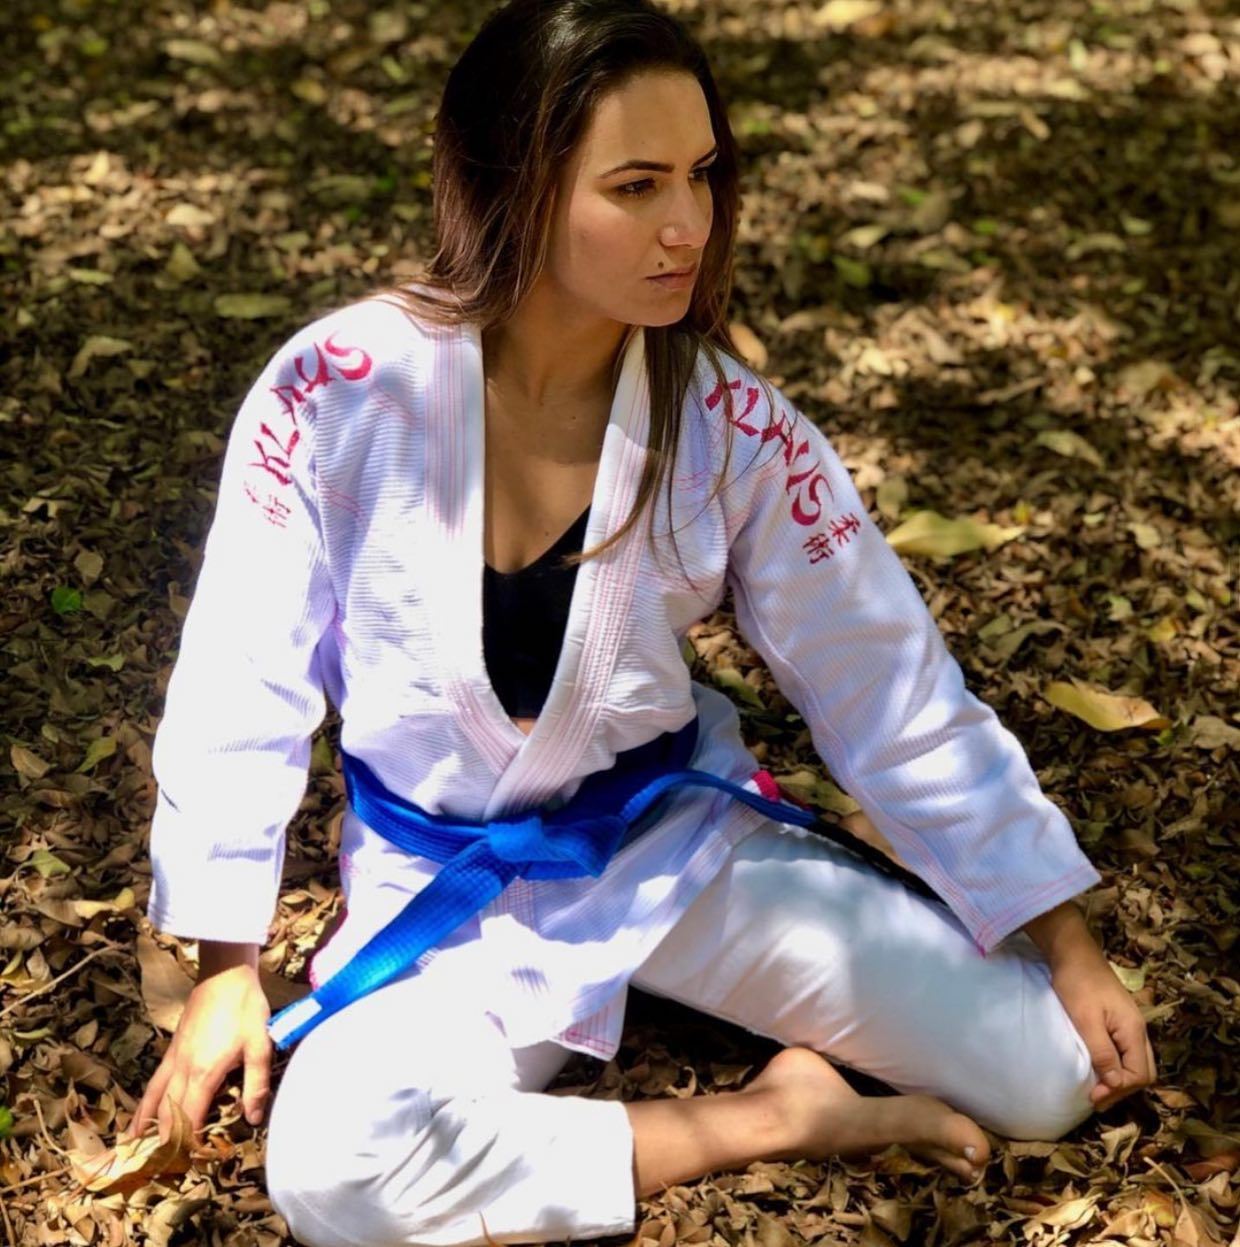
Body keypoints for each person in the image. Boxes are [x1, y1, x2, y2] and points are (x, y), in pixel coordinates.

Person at [127, 0, 1157, 1243]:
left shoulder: (729, 428)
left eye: (701, 175)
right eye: (635, 185)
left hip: (672, 852)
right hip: (445, 892)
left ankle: (732, 1029)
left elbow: (888, 684)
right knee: (334, 1172)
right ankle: (773, 1114)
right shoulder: (339, 392)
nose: (689, 225)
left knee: (1052, 1077)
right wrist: (227, 963)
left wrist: (1062, 934)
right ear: (513, 186)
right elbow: (244, 672)